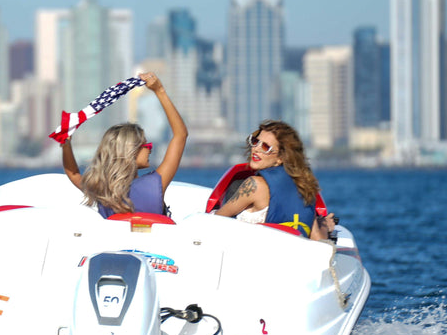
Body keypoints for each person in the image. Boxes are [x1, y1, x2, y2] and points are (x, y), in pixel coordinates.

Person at [61, 72, 188, 218]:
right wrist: (160, 91)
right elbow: (180, 135)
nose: (150, 148)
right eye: (145, 145)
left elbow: (74, 174)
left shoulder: (102, 189)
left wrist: (66, 145)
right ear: (130, 151)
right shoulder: (156, 183)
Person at [214, 120, 336, 239]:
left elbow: (214, 221)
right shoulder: (305, 190)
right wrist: (325, 225)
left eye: (266, 147)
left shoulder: (254, 185)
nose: (256, 149)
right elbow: (318, 239)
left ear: (281, 158)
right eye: (255, 141)